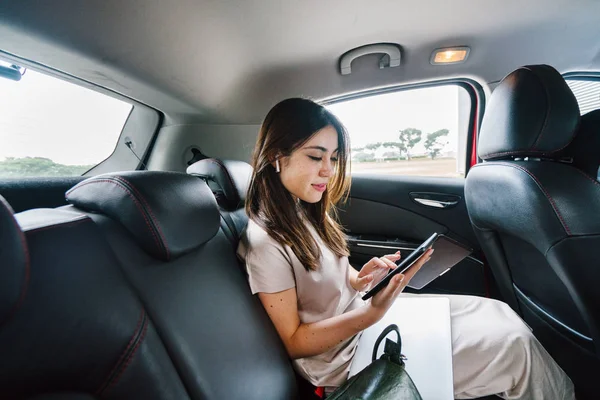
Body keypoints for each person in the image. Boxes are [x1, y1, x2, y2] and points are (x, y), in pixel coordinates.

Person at [237, 97, 575, 399]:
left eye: (335, 158)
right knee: (513, 347)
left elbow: (334, 279)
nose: (328, 170)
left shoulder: (304, 209)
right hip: (343, 357)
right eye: (315, 157)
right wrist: (369, 314)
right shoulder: (265, 244)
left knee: (496, 313)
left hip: (364, 321)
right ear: (275, 156)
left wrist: (360, 280)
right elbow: (294, 341)